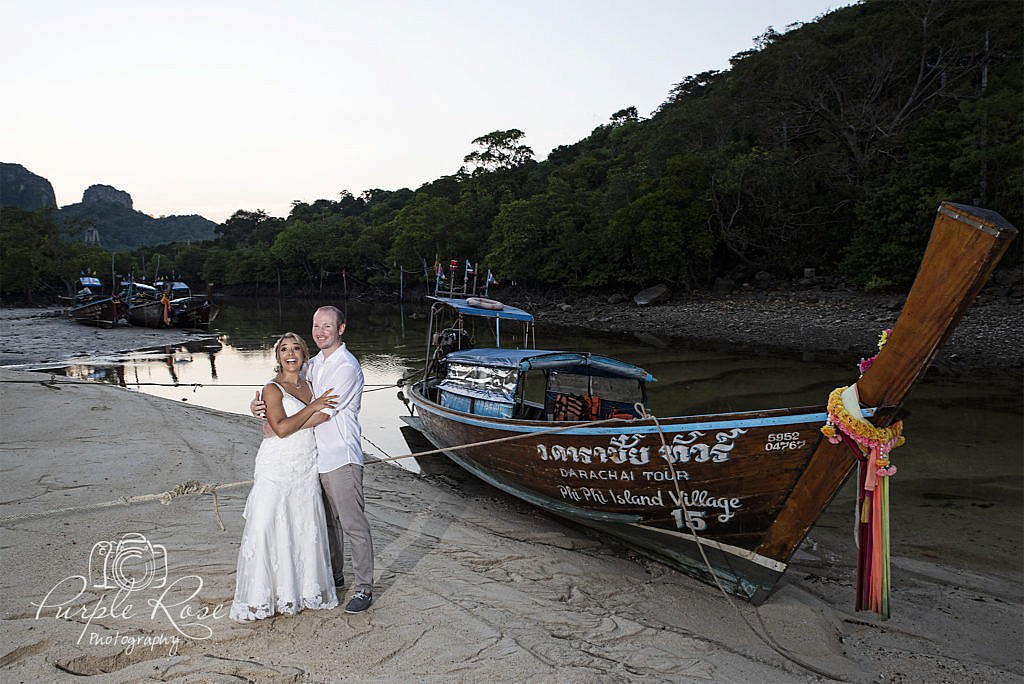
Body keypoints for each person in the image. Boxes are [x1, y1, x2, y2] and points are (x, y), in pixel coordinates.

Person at [251, 306, 375, 614]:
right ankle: (336, 577)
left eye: (327, 326)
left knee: (352, 524)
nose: (320, 332)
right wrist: (258, 407)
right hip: (313, 458)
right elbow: (286, 388)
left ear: (341, 329)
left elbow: (321, 413)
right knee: (327, 525)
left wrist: (279, 427)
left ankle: (364, 588)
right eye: (316, 326)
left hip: (340, 456)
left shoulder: (346, 366)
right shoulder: (314, 364)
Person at [230, 332, 339, 622]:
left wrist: (296, 419)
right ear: (277, 357)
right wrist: (309, 410)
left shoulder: (312, 384)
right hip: (276, 464)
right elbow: (279, 429)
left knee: (302, 525)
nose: (290, 354)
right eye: (284, 350)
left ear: (304, 354)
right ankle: (258, 598)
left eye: (296, 349)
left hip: (305, 462)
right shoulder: (271, 389)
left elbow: (323, 417)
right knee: (266, 523)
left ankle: (300, 593)